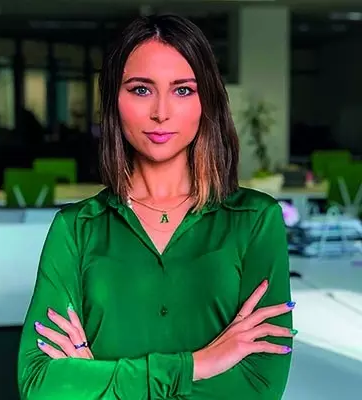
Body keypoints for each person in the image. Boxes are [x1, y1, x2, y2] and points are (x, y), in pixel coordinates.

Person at [18, 14, 295, 399]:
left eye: (182, 90)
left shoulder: (256, 220)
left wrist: (98, 378)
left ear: (206, 100)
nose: (161, 112)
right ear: (114, 100)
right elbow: (39, 385)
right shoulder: (76, 228)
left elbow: (259, 386)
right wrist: (199, 364)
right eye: (141, 89)